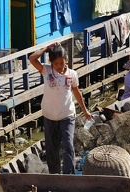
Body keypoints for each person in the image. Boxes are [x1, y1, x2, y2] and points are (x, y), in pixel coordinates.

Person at [29, 43, 92, 174]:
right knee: (52, 148)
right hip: (49, 116)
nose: (59, 66)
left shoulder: (72, 74)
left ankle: (69, 174)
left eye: (61, 63)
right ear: (51, 63)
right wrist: (46, 48)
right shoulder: (46, 70)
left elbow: (76, 92)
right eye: (56, 63)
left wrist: (85, 110)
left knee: (68, 145)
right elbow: (32, 59)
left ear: (66, 60)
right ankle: (54, 175)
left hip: (67, 115)